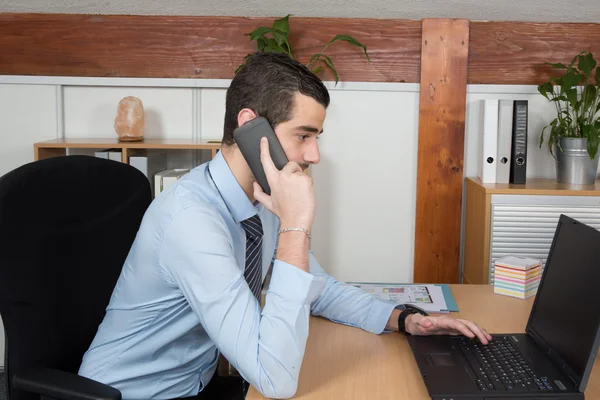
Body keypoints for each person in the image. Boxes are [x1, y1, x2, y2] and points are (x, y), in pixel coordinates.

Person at [78, 52, 491, 400]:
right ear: (249, 126)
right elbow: (275, 378)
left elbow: (318, 289)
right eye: (303, 135)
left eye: (318, 137)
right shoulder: (192, 220)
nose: (314, 154)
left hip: (192, 384)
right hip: (133, 393)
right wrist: (295, 226)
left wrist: (405, 320)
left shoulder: (260, 197)